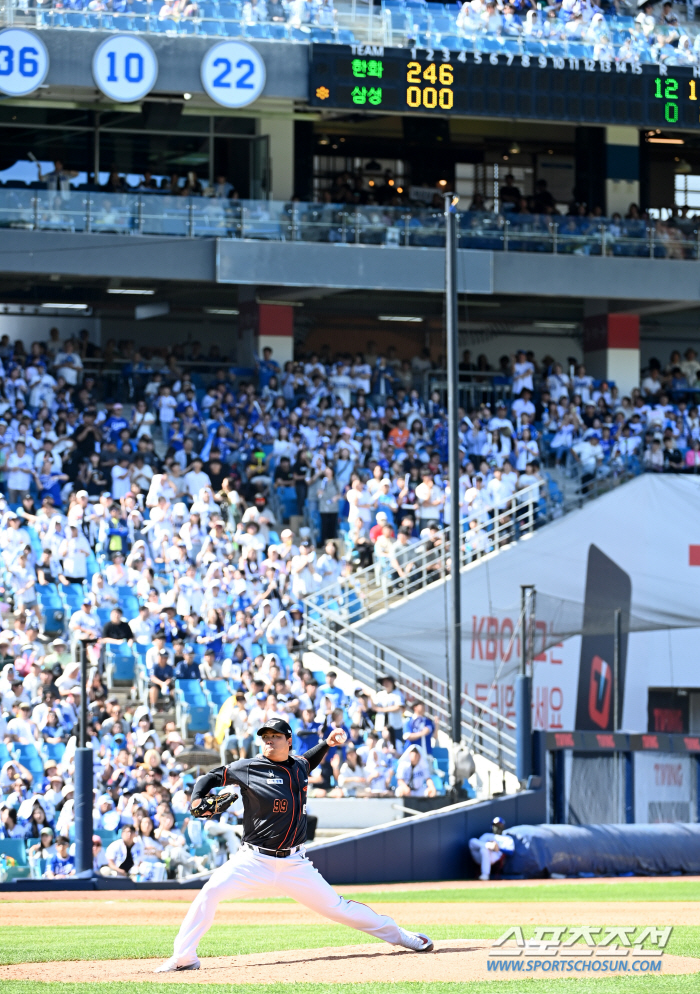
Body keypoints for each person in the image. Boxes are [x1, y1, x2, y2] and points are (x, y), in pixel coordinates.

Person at [155, 717, 434, 971]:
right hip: (253, 860)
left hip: (294, 864)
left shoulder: (299, 766)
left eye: (275, 736)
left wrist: (327, 743)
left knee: (338, 908)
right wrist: (196, 800)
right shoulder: (249, 767)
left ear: (288, 740)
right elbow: (209, 777)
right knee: (210, 892)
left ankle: (402, 937)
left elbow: (308, 761)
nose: (268, 740)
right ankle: (184, 957)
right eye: (265, 736)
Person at [468, 816, 515, 880]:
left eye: (499, 825)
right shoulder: (486, 835)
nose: (497, 827)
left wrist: (498, 848)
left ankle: (485, 875)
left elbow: (511, 852)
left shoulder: (506, 838)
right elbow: (476, 846)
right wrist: (489, 845)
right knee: (472, 841)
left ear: (503, 826)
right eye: (495, 825)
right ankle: (488, 845)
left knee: (484, 850)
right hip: (480, 857)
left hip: (495, 857)